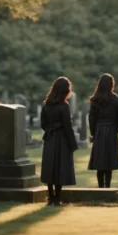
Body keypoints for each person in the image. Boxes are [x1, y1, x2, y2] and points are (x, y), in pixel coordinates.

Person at [40, 76, 78, 206]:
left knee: (50, 167)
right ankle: (57, 198)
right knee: (60, 168)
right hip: (62, 138)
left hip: (50, 137)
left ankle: (51, 197)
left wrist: (51, 130)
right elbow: (68, 126)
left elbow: (43, 124)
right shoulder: (64, 106)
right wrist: (72, 143)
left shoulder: (46, 105)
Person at [87, 73, 118, 188]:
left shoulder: (95, 100)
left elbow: (92, 118)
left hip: (99, 130)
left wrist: (93, 133)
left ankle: (100, 187)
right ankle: (107, 187)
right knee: (108, 162)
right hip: (111, 131)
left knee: (100, 161)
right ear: (111, 85)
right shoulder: (117, 100)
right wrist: (115, 129)